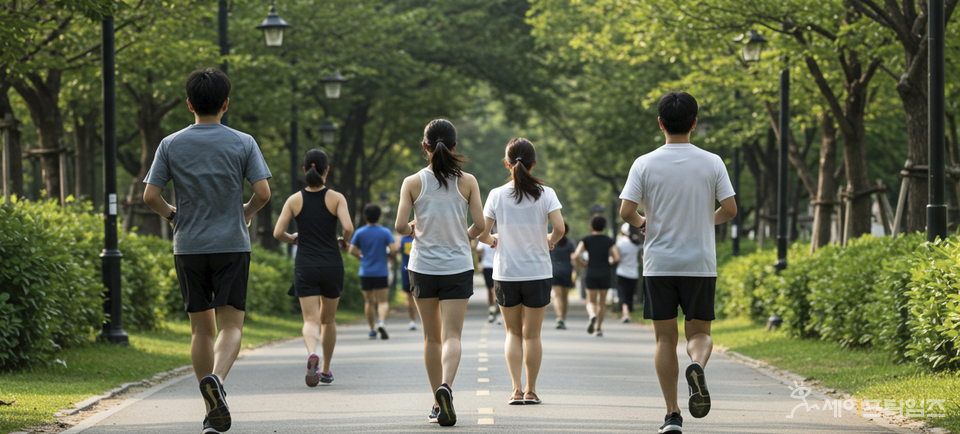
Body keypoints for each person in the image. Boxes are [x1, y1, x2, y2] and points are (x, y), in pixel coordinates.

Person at [142, 68, 271, 434]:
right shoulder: (243, 142)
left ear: (189, 105)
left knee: (201, 329)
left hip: (189, 246)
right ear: (226, 104)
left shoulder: (170, 144)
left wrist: (172, 215)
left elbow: (151, 196)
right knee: (231, 325)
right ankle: (217, 380)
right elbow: (263, 193)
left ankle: (209, 407)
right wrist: (244, 212)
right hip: (232, 244)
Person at [619, 91, 737, 434]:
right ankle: (697, 364)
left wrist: (644, 224)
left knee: (664, 340)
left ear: (660, 124)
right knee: (699, 333)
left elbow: (627, 211)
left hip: (659, 264)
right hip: (699, 263)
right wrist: (702, 220)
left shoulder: (644, 163)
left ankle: (672, 415)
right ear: (694, 124)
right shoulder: (712, 161)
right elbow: (730, 209)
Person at [394, 119, 484, 426]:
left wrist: (412, 229)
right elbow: (482, 226)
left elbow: (399, 226)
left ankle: (436, 401)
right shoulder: (468, 181)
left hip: (423, 267)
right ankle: (447, 385)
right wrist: (464, 235)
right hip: (458, 265)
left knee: (431, 337)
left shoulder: (412, 182)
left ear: (425, 147)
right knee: (452, 336)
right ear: (455, 147)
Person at [478, 137, 564, 406]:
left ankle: (515, 390)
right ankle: (531, 390)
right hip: (538, 272)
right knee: (533, 335)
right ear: (534, 163)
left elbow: (481, 232)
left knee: (512, 333)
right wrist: (549, 240)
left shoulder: (495, 194)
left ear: (507, 164)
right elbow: (560, 229)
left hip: (506, 273)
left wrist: (494, 241)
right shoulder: (546, 193)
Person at [273, 149, 353, 387]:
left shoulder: (294, 200)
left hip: (305, 265)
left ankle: (311, 354)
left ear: (304, 170)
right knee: (328, 320)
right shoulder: (336, 198)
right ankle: (326, 370)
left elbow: (278, 233)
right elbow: (348, 227)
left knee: (310, 320)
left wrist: (294, 238)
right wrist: (344, 242)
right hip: (331, 264)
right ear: (326, 170)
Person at [349, 204, 397, 340]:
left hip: (365, 272)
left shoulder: (360, 232)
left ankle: (371, 330)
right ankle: (381, 322)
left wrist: (361, 256)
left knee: (369, 302)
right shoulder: (385, 232)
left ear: (365, 216)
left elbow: (352, 250)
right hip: (381, 271)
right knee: (382, 301)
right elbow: (393, 249)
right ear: (379, 216)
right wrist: (389, 256)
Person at [573, 215, 620, 337]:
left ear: (591, 225)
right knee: (602, 303)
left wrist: (581, 265)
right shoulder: (609, 240)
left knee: (591, 301)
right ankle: (598, 328)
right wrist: (611, 261)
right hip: (605, 272)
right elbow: (617, 257)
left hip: (591, 272)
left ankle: (592, 315)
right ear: (604, 226)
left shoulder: (586, 239)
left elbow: (576, 255)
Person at [615, 222, 643, 323]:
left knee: (623, 294)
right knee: (630, 294)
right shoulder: (637, 243)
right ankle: (628, 312)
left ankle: (626, 313)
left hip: (622, 272)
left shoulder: (620, 242)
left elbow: (616, 256)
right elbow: (640, 257)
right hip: (633, 273)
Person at [550, 223, 575, 329]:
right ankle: (563, 318)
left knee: (556, 296)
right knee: (565, 297)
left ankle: (559, 317)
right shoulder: (570, 243)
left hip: (554, 271)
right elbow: (574, 257)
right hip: (566, 271)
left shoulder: (552, 241)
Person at [475, 236, 499, 324]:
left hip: (488, 267)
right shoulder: (499, 238)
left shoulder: (484, 239)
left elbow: (479, 250)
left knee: (490, 289)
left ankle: (492, 309)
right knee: (496, 289)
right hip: (496, 266)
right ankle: (495, 309)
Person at [398, 233, 419, 330]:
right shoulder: (419, 238)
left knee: (409, 297)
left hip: (405, 269)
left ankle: (412, 320)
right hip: (418, 269)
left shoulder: (402, 240)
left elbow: (396, 250)